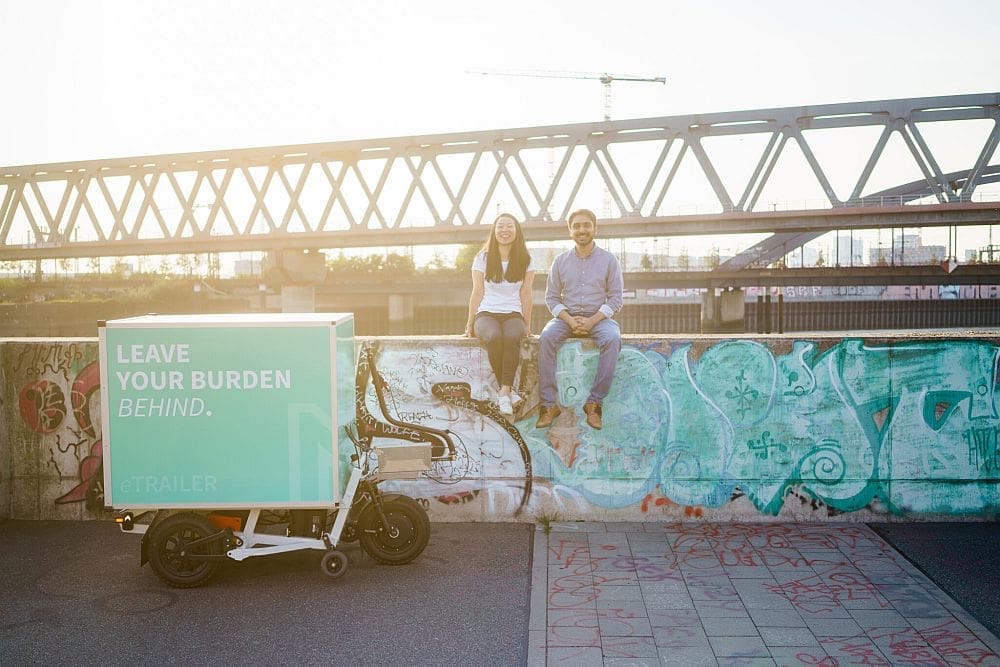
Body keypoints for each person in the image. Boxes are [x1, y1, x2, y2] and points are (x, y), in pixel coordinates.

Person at [536, 208, 623, 430]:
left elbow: (615, 299)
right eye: (576, 226)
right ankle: (548, 405)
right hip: (566, 318)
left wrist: (593, 321)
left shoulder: (609, 260)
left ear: (594, 228)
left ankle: (594, 403)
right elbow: (552, 298)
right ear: (570, 230)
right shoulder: (560, 261)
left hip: (599, 319)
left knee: (613, 339)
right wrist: (569, 319)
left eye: (586, 225)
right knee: (546, 337)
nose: (581, 230)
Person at [464, 213, 536, 416]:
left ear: (517, 231)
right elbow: (477, 291)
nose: (505, 230)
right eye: (500, 226)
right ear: (494, 232)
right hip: (486, 313)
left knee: (512, 336)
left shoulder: (526, 259)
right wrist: (470, 323)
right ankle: (508, 391)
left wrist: (527, 325)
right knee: (494, 336)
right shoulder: (482, 258)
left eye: (509, 226)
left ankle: (504, 391)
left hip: (513, 314)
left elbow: (526, 293)